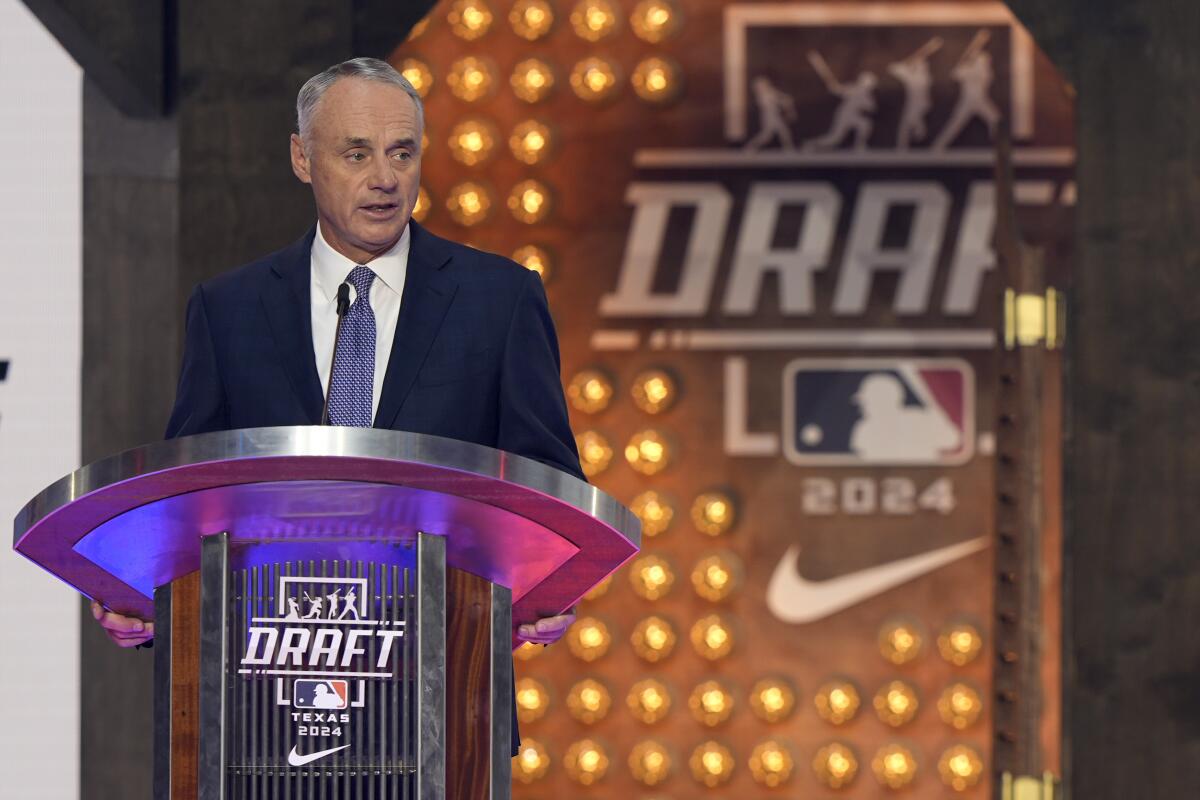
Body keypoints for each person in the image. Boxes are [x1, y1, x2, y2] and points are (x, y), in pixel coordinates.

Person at [88, 55, 582, 747]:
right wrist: (147, 598)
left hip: (444, 708)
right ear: (301, 157)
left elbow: (548, 492)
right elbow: (190, 500)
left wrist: (547, 587)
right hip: (265, 715)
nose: (385, 178)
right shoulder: (228, 309)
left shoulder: (500, 302)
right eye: (356, 153)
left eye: (401, 152)